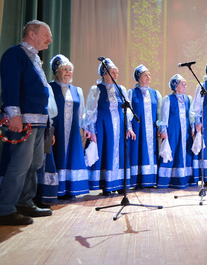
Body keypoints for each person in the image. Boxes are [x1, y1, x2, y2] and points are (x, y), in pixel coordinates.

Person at [0, 20, 55, 225]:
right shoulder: (15, 54)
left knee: (34, 163)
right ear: (31, 34)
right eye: (46, 35)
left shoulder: (34, 57)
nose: (50, 39)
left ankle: (24, 203)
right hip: (24, 120)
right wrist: (14, 114)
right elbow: (10, 86)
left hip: (38, 120)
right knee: (20, 163)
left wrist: (47, 123)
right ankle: (5, 210)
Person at [84, 58, 136, 195]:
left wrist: (129, 128)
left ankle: (120, 184)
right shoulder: (96, 89)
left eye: (116, 73)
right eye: (113, 73)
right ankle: (106, 185)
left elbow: (127, 111)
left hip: (119, 129)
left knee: (120, 155)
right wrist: (92, 131)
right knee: (106, 153)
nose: (116, 75)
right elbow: (90, 112)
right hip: (103, 128)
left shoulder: (121, 89)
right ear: (105, 74)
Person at [49, 54, 90, 198]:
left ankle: (69, 189)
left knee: (72, 158)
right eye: (64, 69)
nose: (68, 72)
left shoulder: (77, 90)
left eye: (70, 69)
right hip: (56, 130)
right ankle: (54, 190)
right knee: (56, 156)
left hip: (72, 132)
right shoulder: (50, 88)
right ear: (56, 71)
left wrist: (85, 128)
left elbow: (81, 113)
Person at [128, 65, 162, 188]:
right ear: (138, 78)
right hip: (138, 129)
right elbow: (127, 113)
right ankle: (137, 181)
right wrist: (129, 128)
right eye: (145, 75)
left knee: (151, 153)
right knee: (137, 152)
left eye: (149, 75)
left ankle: (150, 180)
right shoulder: (131, 93)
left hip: (151, 130)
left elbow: (159, 113)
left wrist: (160, 128)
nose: (148, 77)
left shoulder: (155, 94)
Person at [158, 74, 194, 188]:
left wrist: (193, 127)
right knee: (172, 152)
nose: (185, 86)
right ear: (175, 86)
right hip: (173, 131)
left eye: (185, 84)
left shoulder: (188, 99)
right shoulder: (168, 99)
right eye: (182, 84)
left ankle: (184, 179)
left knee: (185, 153)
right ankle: (167, 180)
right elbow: (164, 116)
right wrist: (163, 130)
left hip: (185, 131)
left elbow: (191, 115)